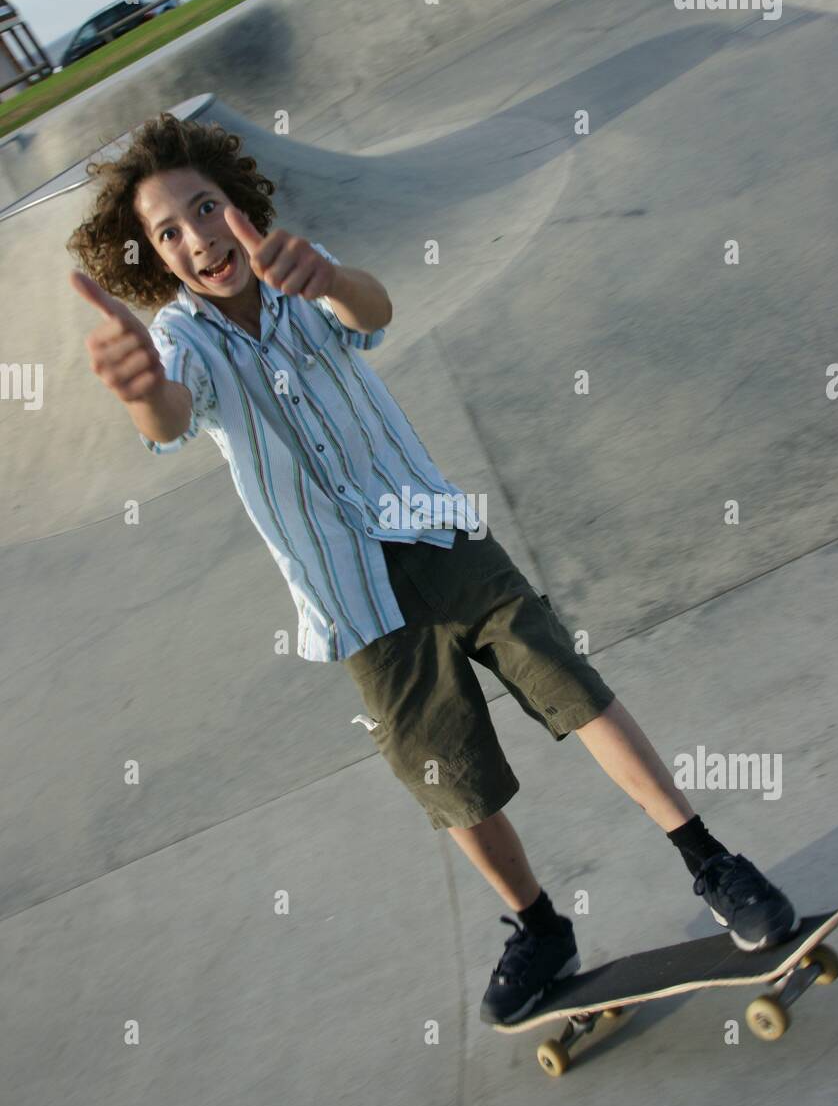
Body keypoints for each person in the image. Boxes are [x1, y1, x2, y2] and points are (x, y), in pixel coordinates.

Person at [68, 112, 800, 1026]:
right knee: (446, 776)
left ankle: (710, 860)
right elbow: (173, 418)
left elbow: (370, 311)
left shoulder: (295, 265)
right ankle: (539, 927)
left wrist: (327, 276)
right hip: (348, 591)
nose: (197, 237)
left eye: (204, 208)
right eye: (167, 231)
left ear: (235, 203)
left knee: (569, 684)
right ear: (151, 257)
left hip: (437, 531)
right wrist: (141, 392)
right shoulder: (182, 341)